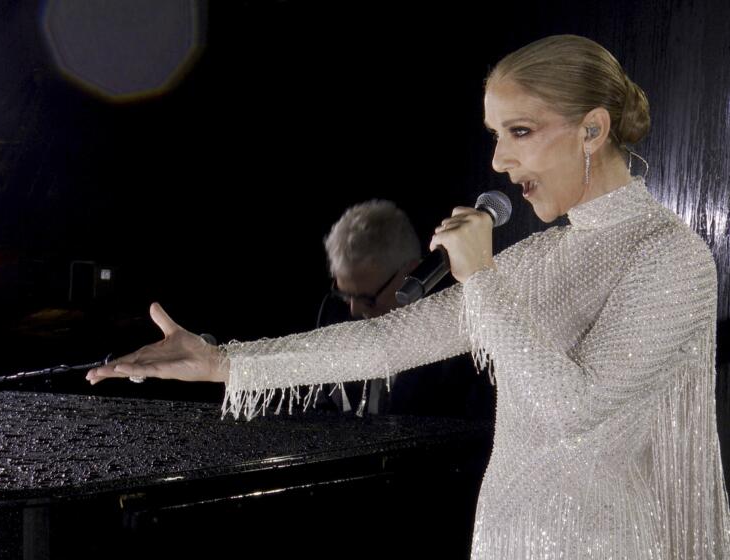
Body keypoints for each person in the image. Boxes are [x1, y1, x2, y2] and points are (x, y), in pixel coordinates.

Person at [86, 35, 730, 558]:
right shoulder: (540, 256)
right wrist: (223, 362)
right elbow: (388, 339)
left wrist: (480, 278)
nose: (500, 162)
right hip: (506, 539)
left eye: (521, 132)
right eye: (495, 135)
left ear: (593, 129)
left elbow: (576, 411)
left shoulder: (668, 256)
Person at [316, 199, 494, 419]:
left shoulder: (461, 334)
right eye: (345, 295)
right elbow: (323, 409)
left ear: (410, 272)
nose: (353, 309)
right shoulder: (333, 312)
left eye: (367, 298)